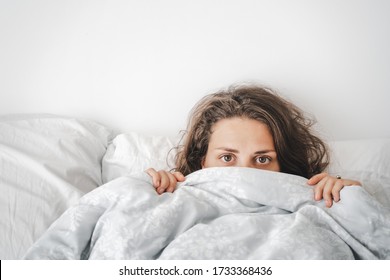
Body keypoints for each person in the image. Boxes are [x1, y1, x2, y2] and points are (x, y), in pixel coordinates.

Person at [146, 84, 361, 207]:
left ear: (282, 166)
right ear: (203, 162)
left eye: (262, 159)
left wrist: (349, 195)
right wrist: (152, 187)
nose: (244, 173)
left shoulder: (312, 201)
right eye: (228, 158)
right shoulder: (176, 198)